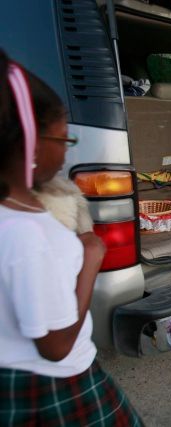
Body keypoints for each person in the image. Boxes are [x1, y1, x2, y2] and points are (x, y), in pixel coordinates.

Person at [0, 51, 143, 426]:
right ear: (29, 142)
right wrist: (91, 259)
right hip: (55, 380)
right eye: (64, 138)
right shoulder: (24, 233)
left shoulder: (20, 208)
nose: (67, 152)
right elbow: (55, 346)